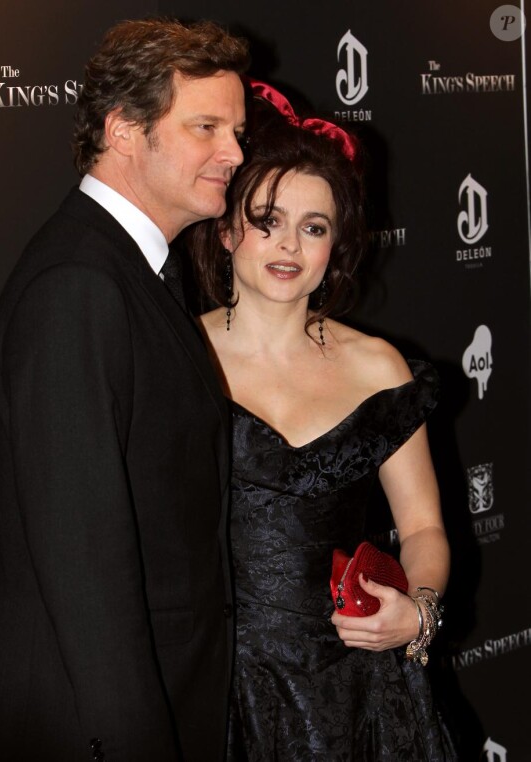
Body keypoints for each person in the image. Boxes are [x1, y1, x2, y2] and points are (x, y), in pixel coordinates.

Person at [0, 18, 249, 762]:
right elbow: (85, 570)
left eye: (236, 130)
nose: (234, 152)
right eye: (206, 127)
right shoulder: (78, 286)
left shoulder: (133, 270)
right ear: (124, 129)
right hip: (93, 730)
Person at [190, 81, 457, 760]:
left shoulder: (378, 368)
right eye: (268, 220)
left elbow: (423, 526)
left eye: (314, 227)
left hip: (360, 693)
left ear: (335, 247)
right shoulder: (175, 358)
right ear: (226, 230)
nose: (288, 246)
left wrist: (416, 612)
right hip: (220, 689)